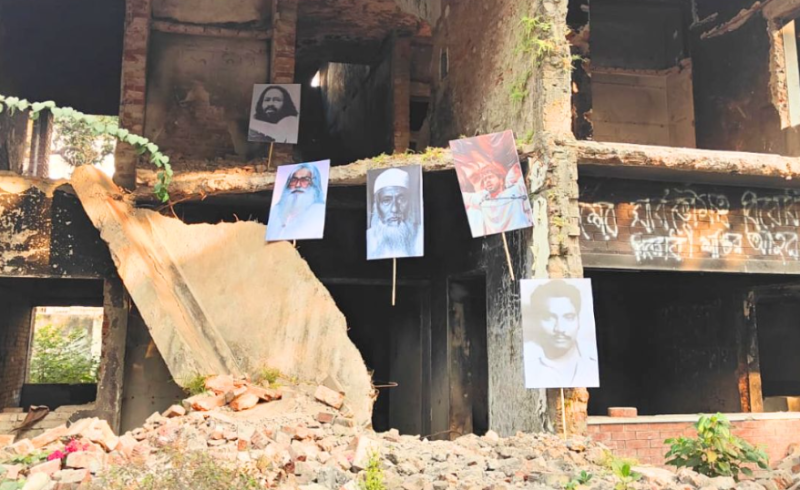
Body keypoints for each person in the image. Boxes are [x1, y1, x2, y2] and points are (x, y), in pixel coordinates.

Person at [523, 280, 599, 388]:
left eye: (568, 317)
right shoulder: (524, 361)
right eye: (549, 318)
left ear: (579, 320)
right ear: (536, 321)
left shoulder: (593, 357)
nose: (560, 329)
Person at [461, 162, 533, 237]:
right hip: (499, 238)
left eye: (490, 177)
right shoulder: (482, 201)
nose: (487, 181)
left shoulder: (515, 191)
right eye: (485, 179)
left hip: (523, 234)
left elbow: (520, 168)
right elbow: (464, 197)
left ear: (501, 180)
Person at [367, 168, 423, 260]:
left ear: (409, 203)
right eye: (386, 200)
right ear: (377, 206)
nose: (394, 209)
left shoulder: (421, 235)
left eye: (401, 199)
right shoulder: (368, 238)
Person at [266, 163, 326, 241]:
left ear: (315, 184)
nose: (297, 185)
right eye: (294, 180)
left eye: (305, 180)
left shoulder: (319, 210)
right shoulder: (276, 209)